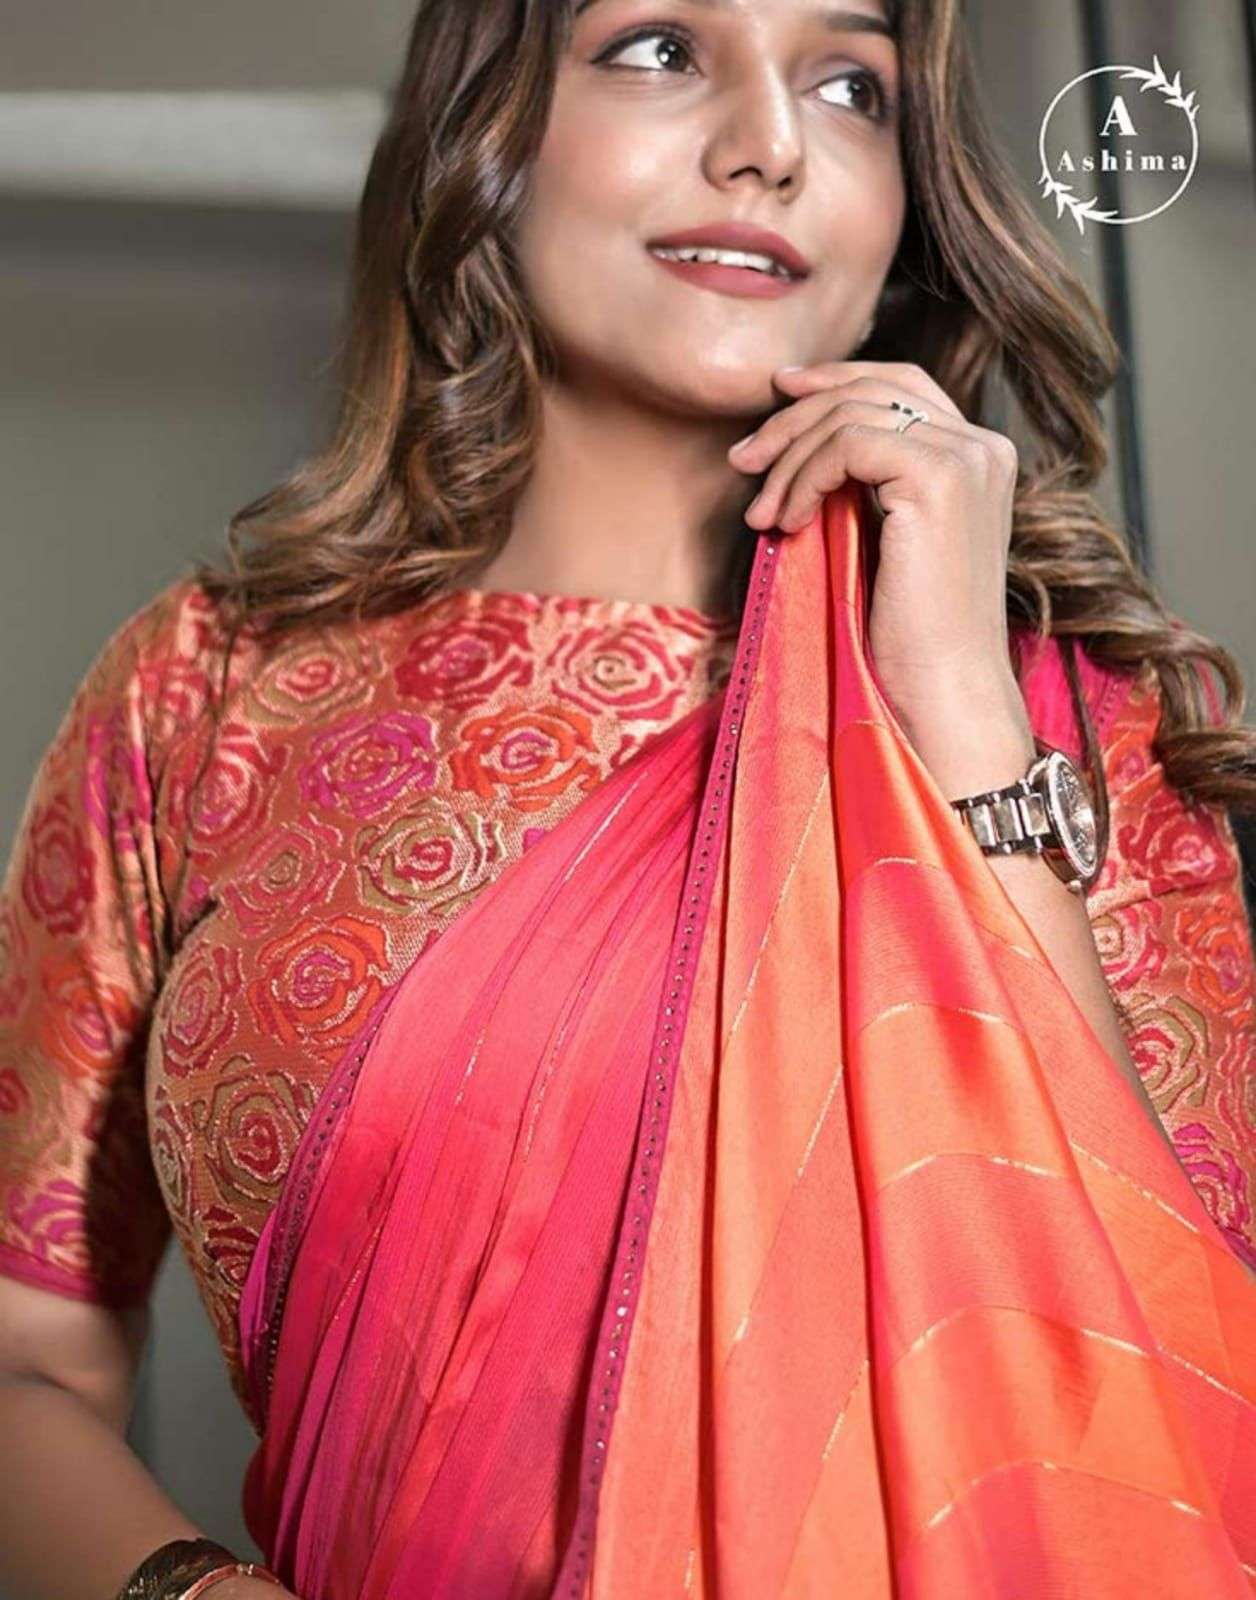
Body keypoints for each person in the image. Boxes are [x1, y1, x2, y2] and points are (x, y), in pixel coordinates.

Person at [1, 1, 1254, 1596]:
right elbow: (29, 1360)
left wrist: (955, 704)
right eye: (662, 48)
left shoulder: (1080, 730)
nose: (769, 146)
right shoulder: (208, 692)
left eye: (849, 85)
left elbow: (1164, 1376)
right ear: (487, 124)